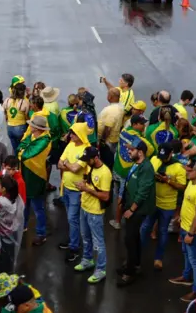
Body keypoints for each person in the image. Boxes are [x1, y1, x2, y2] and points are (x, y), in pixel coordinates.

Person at [140, 142, 186, 270]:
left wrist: (168, 181)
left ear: (171, 153)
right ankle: (138, 253)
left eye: (165, 157)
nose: (163, 159)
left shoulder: (179, 167)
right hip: (153, 201)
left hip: (167, 204)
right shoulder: (155, 159)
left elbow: (182, 186)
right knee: (145, 228)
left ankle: (159, 258)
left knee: (162, 231)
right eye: (161, 157)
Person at [170, 160, 196, 302]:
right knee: (186, 254)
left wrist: (191, 234)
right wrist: (180, 217)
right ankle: (186, 276)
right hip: (184, 227)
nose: (186, 172)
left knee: (195, 261)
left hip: (194, 232)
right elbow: (188, 204)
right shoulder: (191, 183)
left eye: (189, 170)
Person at [116, 139, 154, 287]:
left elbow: (143, 191)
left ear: (140, 152)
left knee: (130, 239)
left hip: (137, 210)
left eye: (131, 150)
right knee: (134, 237)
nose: (128, 152)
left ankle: (130, 273)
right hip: (130, 206)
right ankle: (135, 265)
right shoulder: (137, 164)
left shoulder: (146, 168)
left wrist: (132, 209)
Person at [75, 146, 111, 284]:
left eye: (87, 159)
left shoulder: (105, 173)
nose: (85, 162)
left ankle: (101, 269)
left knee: (98, 242)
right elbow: (89, 182)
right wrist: (83, 184)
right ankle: (87, 260)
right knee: (85, 237)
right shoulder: (90, 167)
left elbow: (106, 196)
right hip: (84, 207)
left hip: (95, 211)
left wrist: (86, 189)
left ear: (95, 158)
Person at [57, 123, 91, 262]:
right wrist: (69, 166)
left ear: (80, 134)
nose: (70, 135)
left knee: (73, 219)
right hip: (66, 187)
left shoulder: (86, 150)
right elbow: (59, 163)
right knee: (71, 218)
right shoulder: (70, 144)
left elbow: (77, 168)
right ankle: (73, 240)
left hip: (77, 191)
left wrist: (66, 165)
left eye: (73, 133)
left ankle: (74, 247)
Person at [17, 114, 51, 246]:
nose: (29, 126)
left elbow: (25, 154)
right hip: (26, 174)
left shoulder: (44, 141)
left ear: (36, 128)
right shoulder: (33, 136)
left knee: (38, 208)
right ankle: (24, 226)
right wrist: (22, 149)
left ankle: (41, 233)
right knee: (25, 203)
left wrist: (22, 150)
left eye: (31, 125)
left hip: (36, 177)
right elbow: (21, 146)